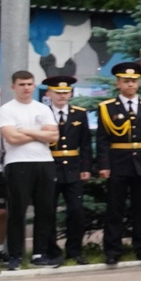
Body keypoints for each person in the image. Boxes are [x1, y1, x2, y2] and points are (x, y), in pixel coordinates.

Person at [0, 69, 60, 267]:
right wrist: (40, 133)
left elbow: (54, 137)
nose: (26, 88)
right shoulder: (7, 109)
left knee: (45, 209)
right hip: (18, 164)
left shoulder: (43, 108)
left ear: (34, 85)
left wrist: (27, 131)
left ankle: (39, 254)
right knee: (17, 211)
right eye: (22, 84)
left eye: (29, 84)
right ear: (13, 86)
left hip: (45, 163)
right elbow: (12, 138)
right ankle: (15, 255)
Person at [96, 59, 141, 267]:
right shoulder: (107, 108)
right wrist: (104, 165)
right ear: (118, 84)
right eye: (125, 81)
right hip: (118, 163)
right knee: (115, 209)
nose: (130, 84)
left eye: (133, 81)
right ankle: (112, 251)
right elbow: (102, 139)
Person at [46, 77, 95, 263]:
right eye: (57, 92)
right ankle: (53, 252)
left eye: (65, 92)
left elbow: (85, 143)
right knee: (48, 211)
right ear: (49, 93)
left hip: (73, 169)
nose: (62, 96)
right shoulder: (43, 113)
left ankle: (74, 250)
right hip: (49, 167)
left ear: (71, 93)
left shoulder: (79, 113)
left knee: (76, 211)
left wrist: (86, 167)